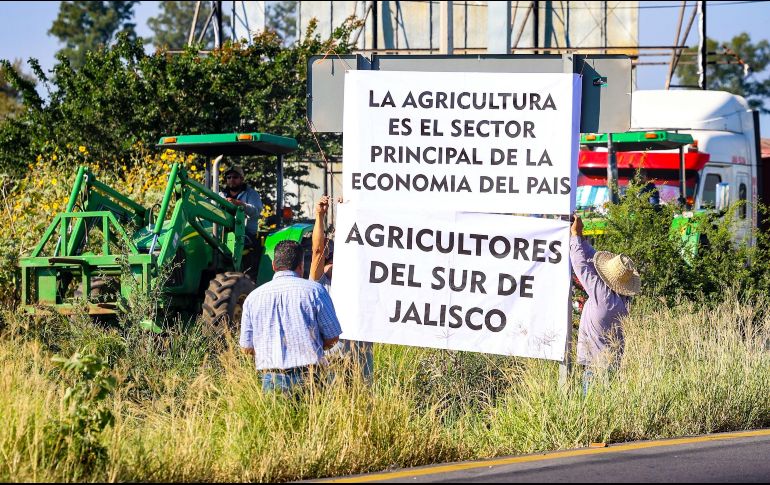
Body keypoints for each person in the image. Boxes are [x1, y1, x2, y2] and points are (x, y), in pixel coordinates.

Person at [240, 240, 342, 393]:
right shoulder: (315, 291)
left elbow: (246, 347)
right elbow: (332, 337)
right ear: (301, 265)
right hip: (309, 376)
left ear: (274, 265)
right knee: (311, 417)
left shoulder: (253, 298)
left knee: (274, 417)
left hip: (271, 378)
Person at [570, 215, 640, 395]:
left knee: (590, 410)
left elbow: (582, 266)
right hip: (611, 365)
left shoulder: (603, 296)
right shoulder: (623, 299)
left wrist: (576, 236)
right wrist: (581, 238)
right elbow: (593, 261)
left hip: (595, 367)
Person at [310, 195, 374, 380]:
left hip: (360, 352)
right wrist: (320, 216)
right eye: (330, 262)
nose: (332, 266)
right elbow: (318, 251)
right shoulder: (321, 283)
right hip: (334, 353)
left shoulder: (362, 277)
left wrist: (353, 212)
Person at [219, 165, 263, 246]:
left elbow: (256, 212)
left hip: (246, 236)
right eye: (229, 177)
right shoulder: (221, 195)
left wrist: (240, 204)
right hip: (223, 233)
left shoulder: (251, 194)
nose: (231, 179)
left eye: (235, 177)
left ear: (242, 179)